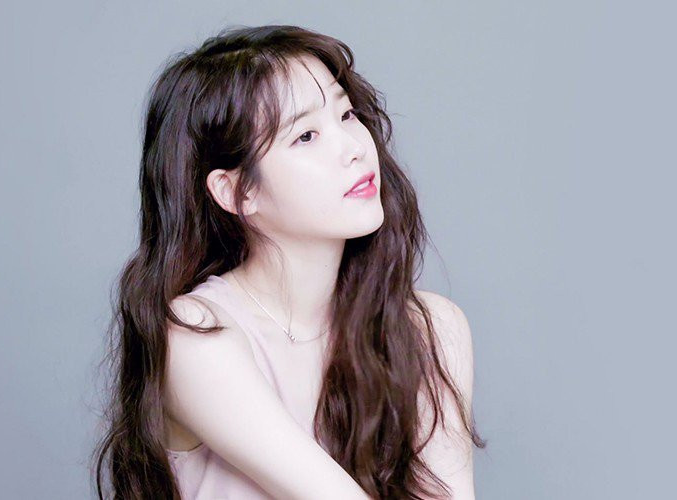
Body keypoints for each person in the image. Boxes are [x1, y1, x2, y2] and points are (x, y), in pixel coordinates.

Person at [93, 24, 486, 500]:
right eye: (306, 136)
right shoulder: (196, 334)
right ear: (238, 191)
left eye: (346, 114)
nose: (355, 148)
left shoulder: (430, 329)